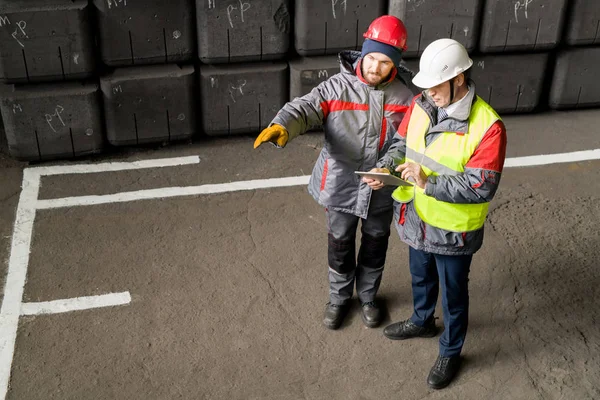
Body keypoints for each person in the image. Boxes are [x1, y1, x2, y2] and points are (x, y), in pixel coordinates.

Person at [253, 15, 414, 330]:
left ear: (394, 63)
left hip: (380, 189)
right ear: (363, 53)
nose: (375, 67)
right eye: (372, 58)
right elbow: (305, 108)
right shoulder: (336, 87)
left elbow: (406, 142)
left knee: (375, 243)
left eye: (384, 62)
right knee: (340, 244)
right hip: (340, 184)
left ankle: (368, 297)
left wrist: (388, 166)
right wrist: (282, 125)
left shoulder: (405, 98)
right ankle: (339, 298)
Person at [364, 38, 507, 389]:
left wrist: (429, 184)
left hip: (454, 231)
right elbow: (402, 145)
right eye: (424, 86)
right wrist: (385, 168)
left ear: (459, 78)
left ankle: (451, 350)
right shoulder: (422, 103)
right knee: (421, 277)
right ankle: (422, 320)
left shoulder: (489, 127)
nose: (428, 93)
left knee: (454, 295)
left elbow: (480, 187)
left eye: (434, 85)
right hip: (417, 219)